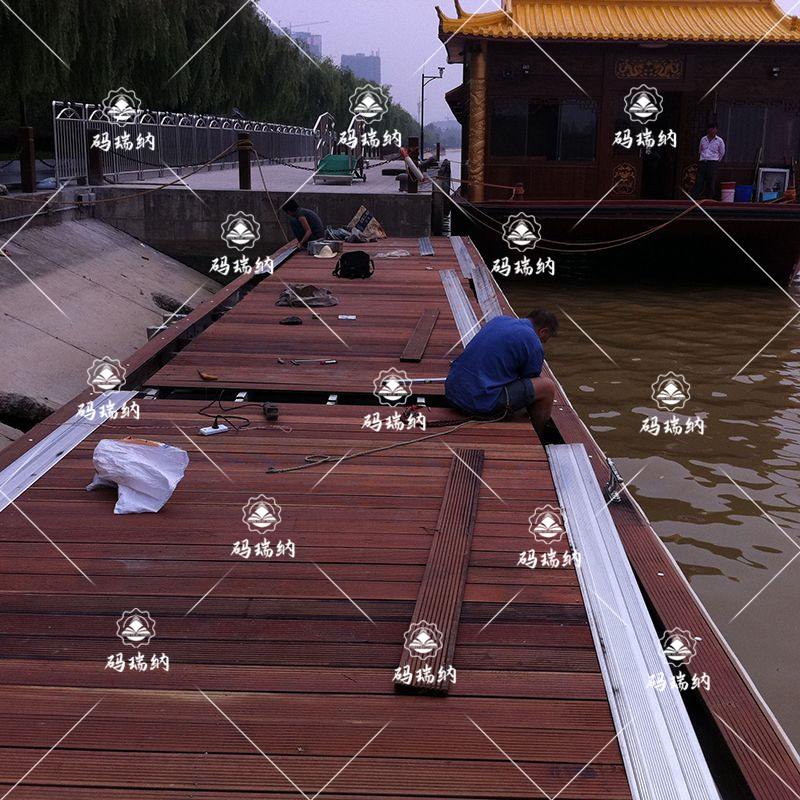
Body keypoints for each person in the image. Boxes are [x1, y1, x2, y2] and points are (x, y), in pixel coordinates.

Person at [445, 310, 558, 436]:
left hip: (453, 393)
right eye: (544, 340)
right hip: (477, 403)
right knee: (547, 387)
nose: (542, 342)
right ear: (543, 332)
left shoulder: (499, 320)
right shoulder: (532, 340)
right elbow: (531, 378)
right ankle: (538, 435)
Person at [692, 125, 726, 199]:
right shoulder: (703, 139)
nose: (713, 131)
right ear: (708, 130)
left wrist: (716, 160)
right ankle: (694, 198)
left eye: (714, 129)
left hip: (713, 163)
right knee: (699, 181)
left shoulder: (719, 140)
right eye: (711, 129)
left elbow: (722, 152)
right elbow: (700, 150)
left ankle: (709, 199)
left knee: (711, 181)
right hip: (703, 162)